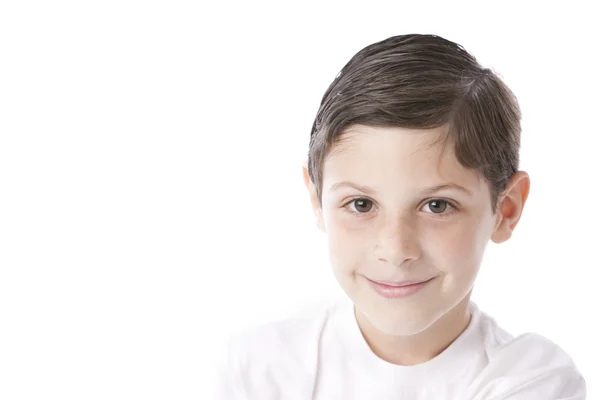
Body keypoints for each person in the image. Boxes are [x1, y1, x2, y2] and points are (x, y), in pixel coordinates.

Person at [214, 33, 586, 399]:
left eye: (437, 206)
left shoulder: (531, 380)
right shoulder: (262, 368)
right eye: (361, 204)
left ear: (506, 210)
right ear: (317, 200)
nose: (395, 250)